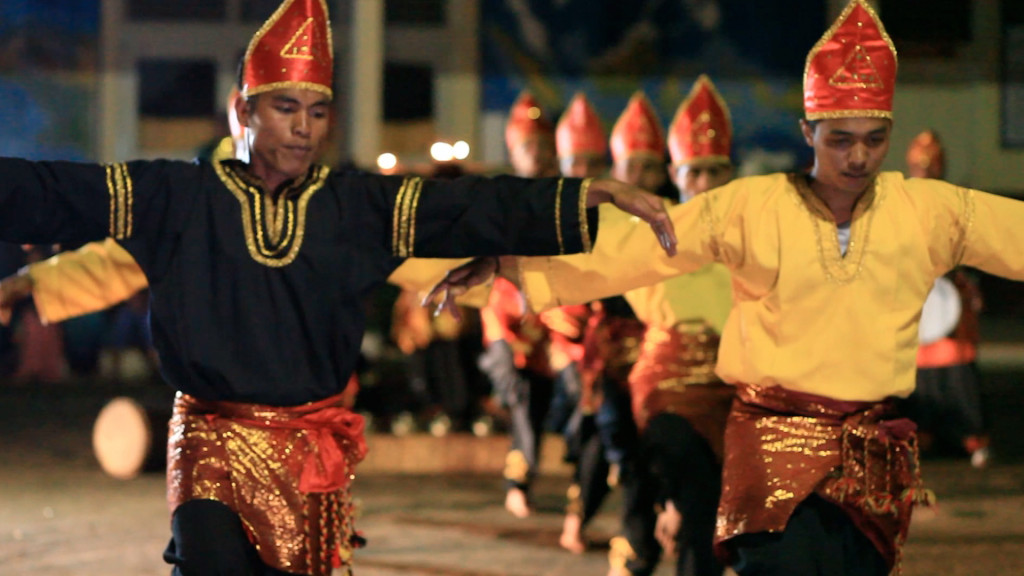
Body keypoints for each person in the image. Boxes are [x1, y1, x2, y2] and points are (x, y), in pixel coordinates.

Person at [0, 1, 676, 575]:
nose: (304, 127)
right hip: (211, 441)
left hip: (307, 450)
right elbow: (56, 191)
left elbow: (465, 206)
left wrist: (582, 195)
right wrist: (28, 282)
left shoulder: (353, 207)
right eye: (286, 107)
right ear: (242, 111)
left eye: (318, 111)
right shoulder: (176, 197)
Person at [427, 1, 1024, 574]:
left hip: (870, 456)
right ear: (808, 131)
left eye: (874, 138)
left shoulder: (929, 211)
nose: (859, 157)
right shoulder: (752, 206)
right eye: (840, 139)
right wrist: (512, 262)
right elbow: (643, 244)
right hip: (773, 442)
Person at [904, 129, 990, 467]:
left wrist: (967, 283)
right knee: (917, 374)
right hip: (916, 299)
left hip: (950, 299)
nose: (924, 172)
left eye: (930, 166)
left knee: (956, 367)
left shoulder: (958, 204)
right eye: (919, 167)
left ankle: (971, 437)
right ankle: (921, 436)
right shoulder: (901, 204)